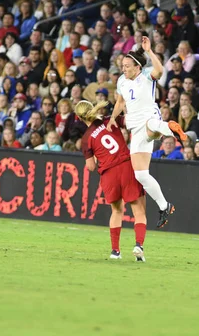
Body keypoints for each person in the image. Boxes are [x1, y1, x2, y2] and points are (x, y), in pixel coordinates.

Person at [108, 36, 185, 228]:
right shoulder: (122, 83)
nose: (123, 68)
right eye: (122, 65)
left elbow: (160, 70)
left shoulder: (146, 78)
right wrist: (111, 118)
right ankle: (164, 205)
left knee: (152, 125)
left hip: (149, 119)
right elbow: (120, 102)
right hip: (135, 128)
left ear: (137, 67)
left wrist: (149, 51)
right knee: (141, 175)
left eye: (127, 66)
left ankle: (169, 128)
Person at [77, 100, 148, 261]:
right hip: (126, 166)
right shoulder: (110, 119)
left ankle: (115, 251)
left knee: (116, 211)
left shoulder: (86, 139)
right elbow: (130, 122)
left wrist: (97, 155)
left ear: (79, 117)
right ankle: (139, 246)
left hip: (109, 174)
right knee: (139, 211)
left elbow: (91, 167)